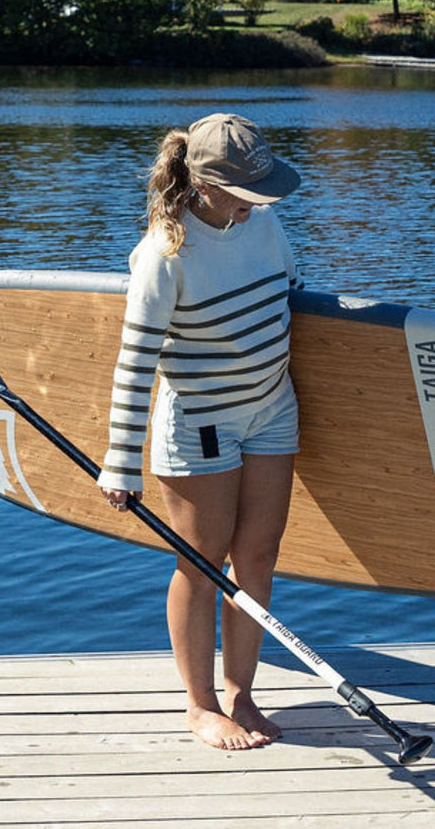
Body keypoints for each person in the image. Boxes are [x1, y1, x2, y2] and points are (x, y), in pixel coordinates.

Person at [98, 112, 302, 751]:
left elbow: (295, 295)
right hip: (200, 423)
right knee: (200, 562)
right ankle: (200, 705)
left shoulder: (264, 225)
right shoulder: (165, 255)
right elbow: (134, 366)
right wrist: (120, 460)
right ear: (205, 186)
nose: (258, 205)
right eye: (246, 193)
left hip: (273, 410)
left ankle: (243, 693)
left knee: (259, 557)